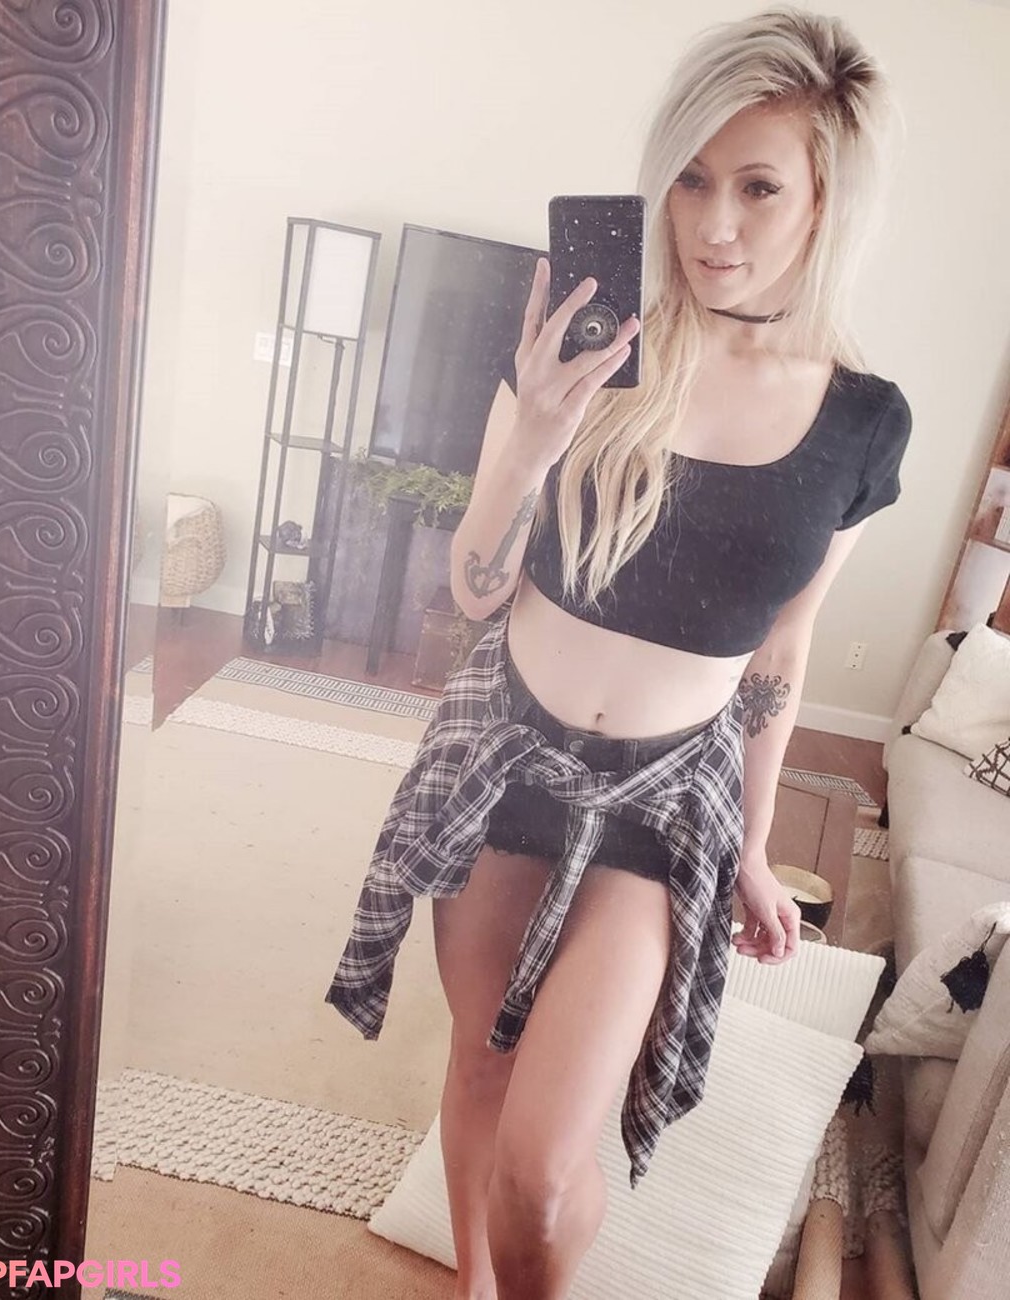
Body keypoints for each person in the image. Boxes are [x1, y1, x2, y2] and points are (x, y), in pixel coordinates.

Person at [326, 7, 912, 1298]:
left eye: (758, 186)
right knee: (481, 1072)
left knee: (543, 1171)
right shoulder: (596, 349)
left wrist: (752, 845)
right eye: (690, 180)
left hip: (664, 800)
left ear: (824, 201)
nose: (714, 224)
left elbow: (784, 647)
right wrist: (533, 442)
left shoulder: (863, 421)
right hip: (504, 753)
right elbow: (476, 589)